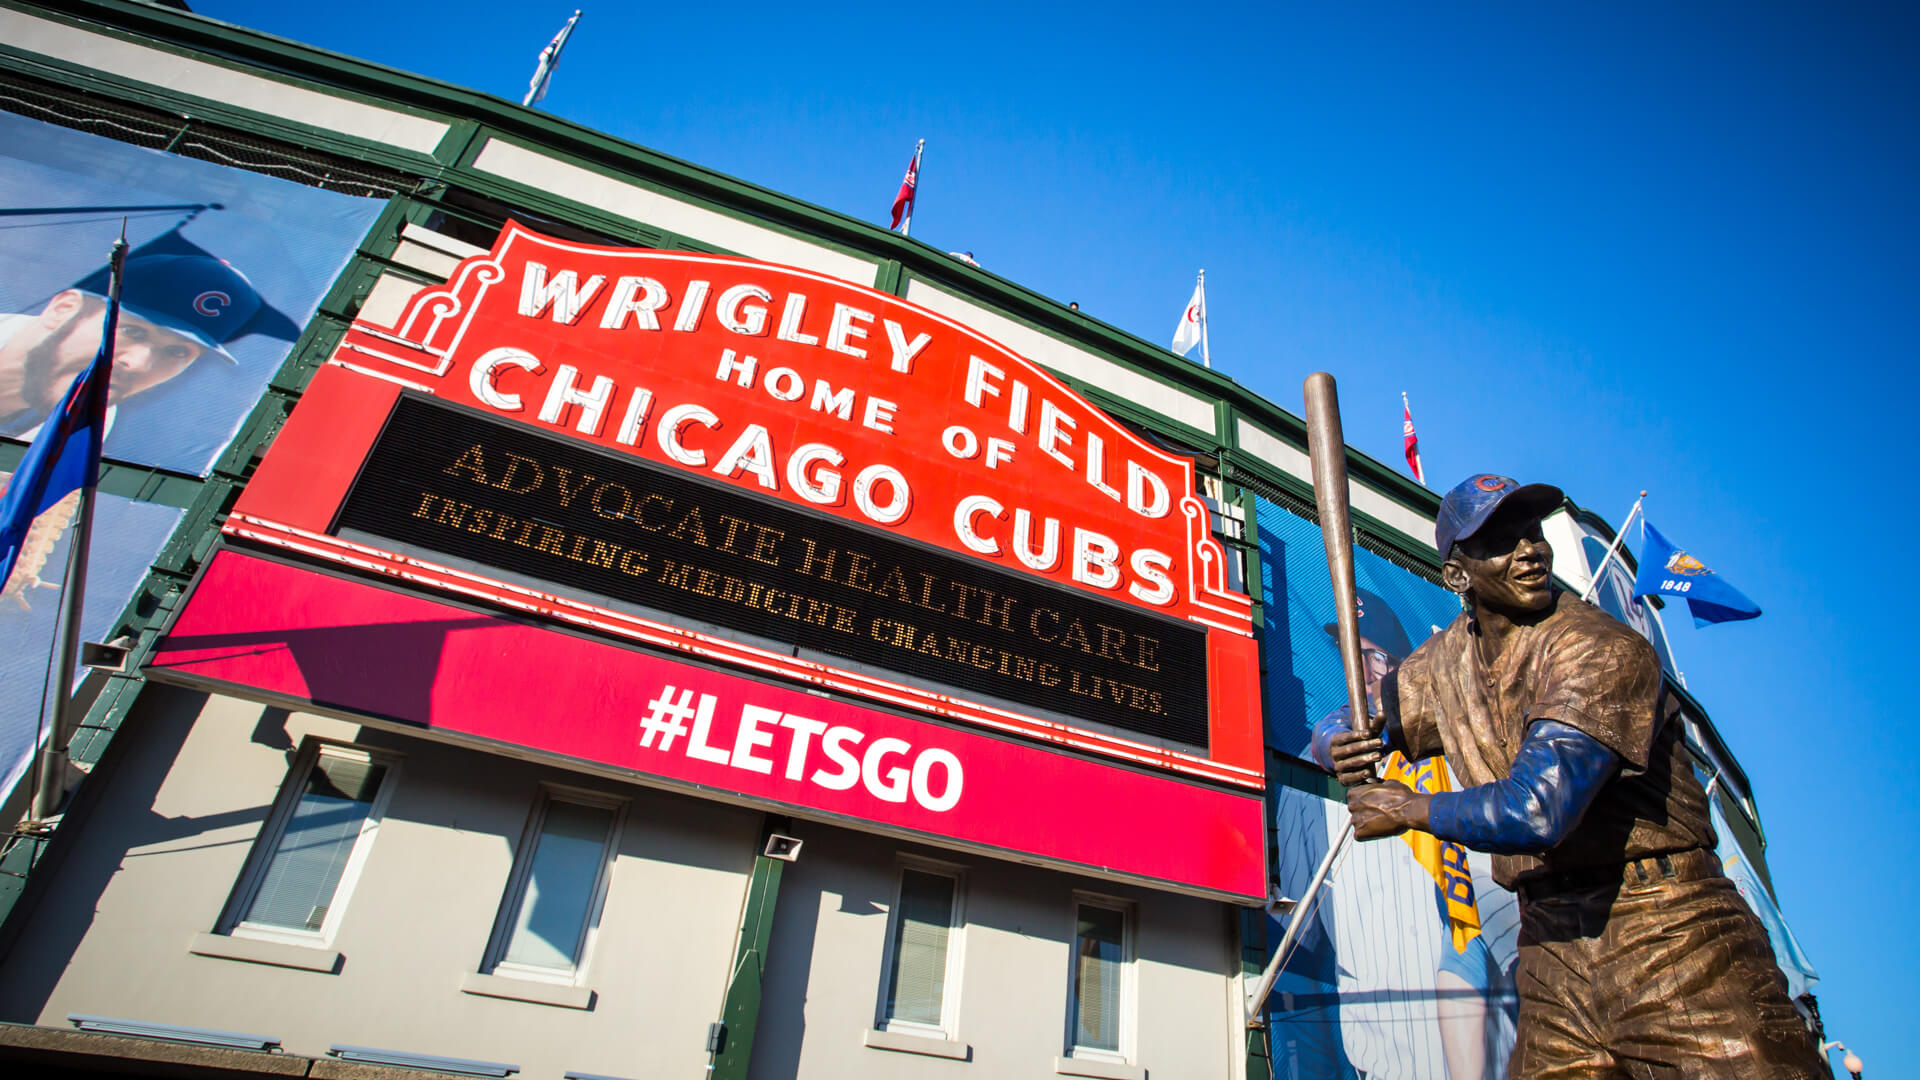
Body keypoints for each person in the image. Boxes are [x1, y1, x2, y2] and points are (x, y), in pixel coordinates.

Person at [1322, 473, 1823, 1079]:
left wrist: (1412, 810)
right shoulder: (1445, 661)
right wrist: (1339, 744)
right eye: (1503, 540)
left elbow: (1539, 809)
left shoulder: (1598, 647)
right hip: (1550, 945)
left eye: (1533, 532)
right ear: (1458, 575)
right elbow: (1354, 717)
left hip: (1670, 928)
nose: (1530, 549)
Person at [1309, 589, 1514, 1079]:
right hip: (1414, 931)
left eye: (1370, 655)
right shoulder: (1357, 724)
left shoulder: (1446, 709)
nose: (1359, 668)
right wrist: (1336, 744)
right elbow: (1332, 734)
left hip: (1493, 880)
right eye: (1349, 654)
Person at [0, 253, 273, 435]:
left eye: (177, 351)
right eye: (133, 331)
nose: (139, 363)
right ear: (64, 309)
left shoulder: (90, 429)